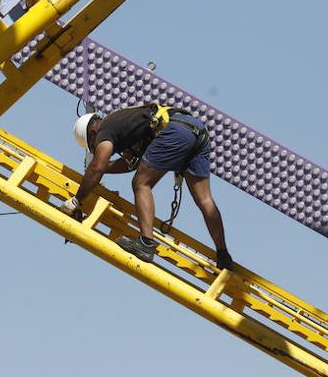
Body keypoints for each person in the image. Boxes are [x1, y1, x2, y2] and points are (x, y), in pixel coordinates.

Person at [62, 104, 232, 269]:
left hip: (177, 131)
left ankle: (146, 243)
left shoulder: (104, 129)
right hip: (196, 131)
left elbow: (97, 167)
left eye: (93, 147)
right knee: (205, 199)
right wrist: (103, 167)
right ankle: (223, 255)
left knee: (141, 183)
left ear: (93, 133)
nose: (96, 150)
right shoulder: (126, 124)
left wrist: (77, 200)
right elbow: (130, 165)